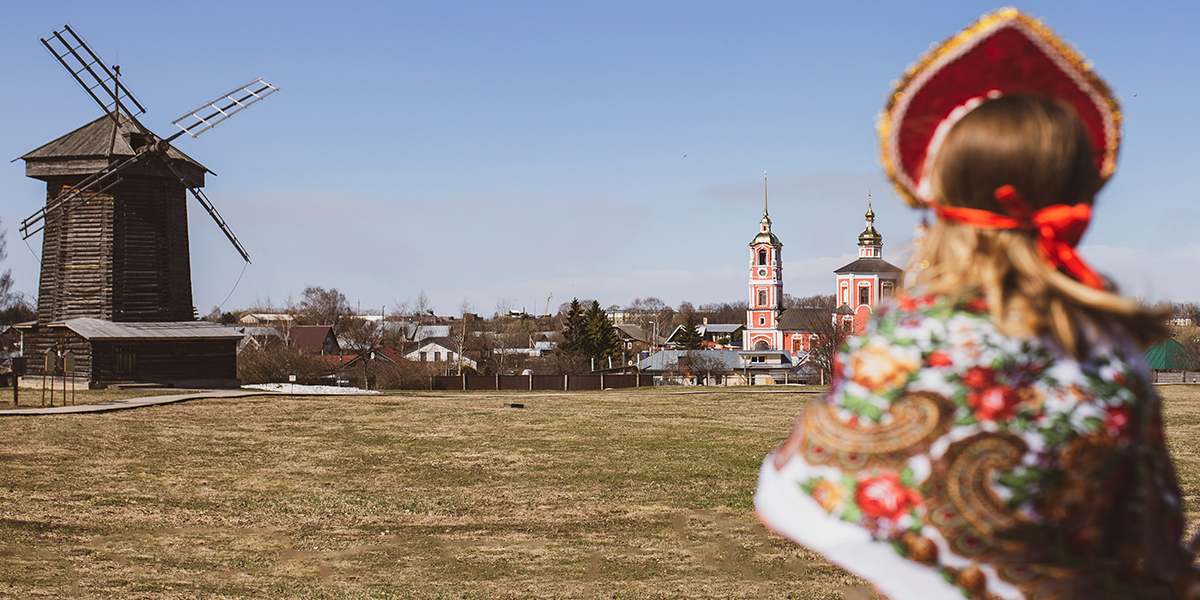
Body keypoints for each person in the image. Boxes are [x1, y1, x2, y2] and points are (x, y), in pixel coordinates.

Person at [754, 9, 1198, 600]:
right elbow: (1152, 549)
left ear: (936, 205)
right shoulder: (1112, 354)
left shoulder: (910, 341)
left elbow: (792, 502)